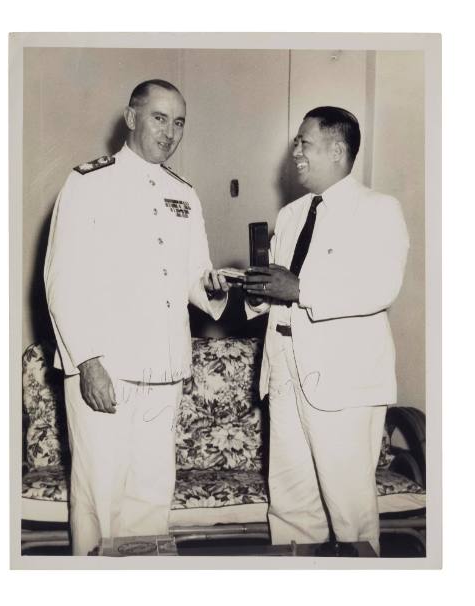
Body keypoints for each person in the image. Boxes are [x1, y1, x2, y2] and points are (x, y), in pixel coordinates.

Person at [44, 79, 229, 555]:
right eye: (159, 118)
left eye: (179, 121)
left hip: (164, 371)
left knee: (151, 498)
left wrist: (218, 287)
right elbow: (61, 279)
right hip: (106, 369)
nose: (170, 132)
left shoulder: (184, 194)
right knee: (100, 497)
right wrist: (87, 362)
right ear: (131, 118)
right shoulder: (88, 182)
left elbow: (193, 277)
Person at [244, 106, 409, 556]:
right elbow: (280, 294)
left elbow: (381, 287)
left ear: (337, 151)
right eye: (296, 143)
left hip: (343, 383)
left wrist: (298, 289)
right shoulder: (292, 214)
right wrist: (253, 292)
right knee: (292, 507)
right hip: (284, 374)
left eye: (304, 143)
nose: (294, 152)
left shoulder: (378, 210)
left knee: (349, 510)